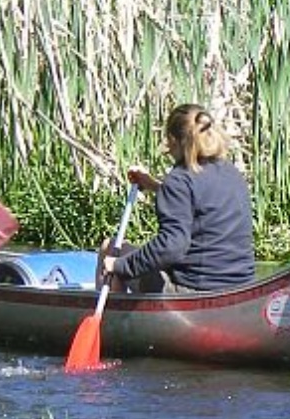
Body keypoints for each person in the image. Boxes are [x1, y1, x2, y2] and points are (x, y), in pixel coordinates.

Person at [98, 103, 255, 293]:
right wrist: (155, 186)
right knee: (123, 258)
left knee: (110, 248)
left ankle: (112, 320)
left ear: (173, 140)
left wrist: (120, 265)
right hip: (240, 288)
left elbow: (171, 247)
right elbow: (202, 203)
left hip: (193, 291)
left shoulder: (180, 179)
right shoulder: (231, 173)